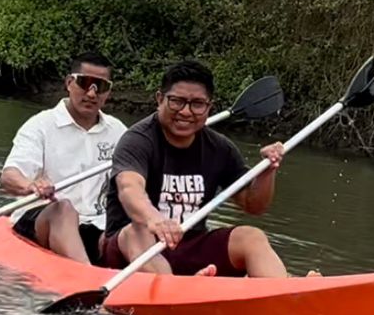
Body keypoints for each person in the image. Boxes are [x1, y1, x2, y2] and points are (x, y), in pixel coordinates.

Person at [98, 58, 288, 278]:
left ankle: (286, 293)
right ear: (159, 99)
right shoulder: (138, 140)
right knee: (137, 231)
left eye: (197, 104)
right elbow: (129, 188)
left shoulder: (220, 148)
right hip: (130, 248)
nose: (186, 112)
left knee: (251, 237)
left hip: (188, 244)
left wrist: (267, 171)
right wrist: (155, 219)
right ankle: (174, 290)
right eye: (177, 101)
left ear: (209, 107)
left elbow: (253, 205)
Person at [0, 53, 126, 264]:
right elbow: (9, 176)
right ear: (69, 83)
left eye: (100, 86)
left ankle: (160, 278)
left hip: (96, 223)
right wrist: (30, 185)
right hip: (45, 217)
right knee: (63, 209)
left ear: (108, 92)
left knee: (131, 228)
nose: (92, 93)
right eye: (85, 83)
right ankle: (85, 275)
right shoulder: (41, 125)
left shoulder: (118, 131)